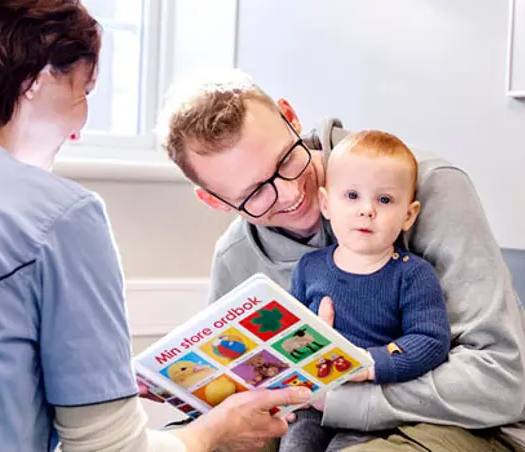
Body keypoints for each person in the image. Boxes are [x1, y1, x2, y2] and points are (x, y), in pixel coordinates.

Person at [0, 3, 311, 451]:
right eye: (84, 91)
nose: (82, 123)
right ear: (38, 78)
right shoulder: (61, 217)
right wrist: (215, 431)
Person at [156, 70, 525, 451]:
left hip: (455, 424)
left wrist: (342, 401)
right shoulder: (237, 255)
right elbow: (236, 393)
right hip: (303, 422)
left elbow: (501, 381)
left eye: (285, 160)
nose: (289, 194)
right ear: (215, 202)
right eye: (255, 194)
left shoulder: (422, 185)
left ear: (290, 117)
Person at [279, 130, 451, 452]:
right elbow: (290, 332)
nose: (367, 210)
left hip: (372, 403)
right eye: (352, 196)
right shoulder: (309, 267)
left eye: (384, 200)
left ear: (408, 215)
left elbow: (431, 340)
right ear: (327, 204)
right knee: (294, 447)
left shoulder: (413, 274)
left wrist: (368, 363)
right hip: (313, 401)